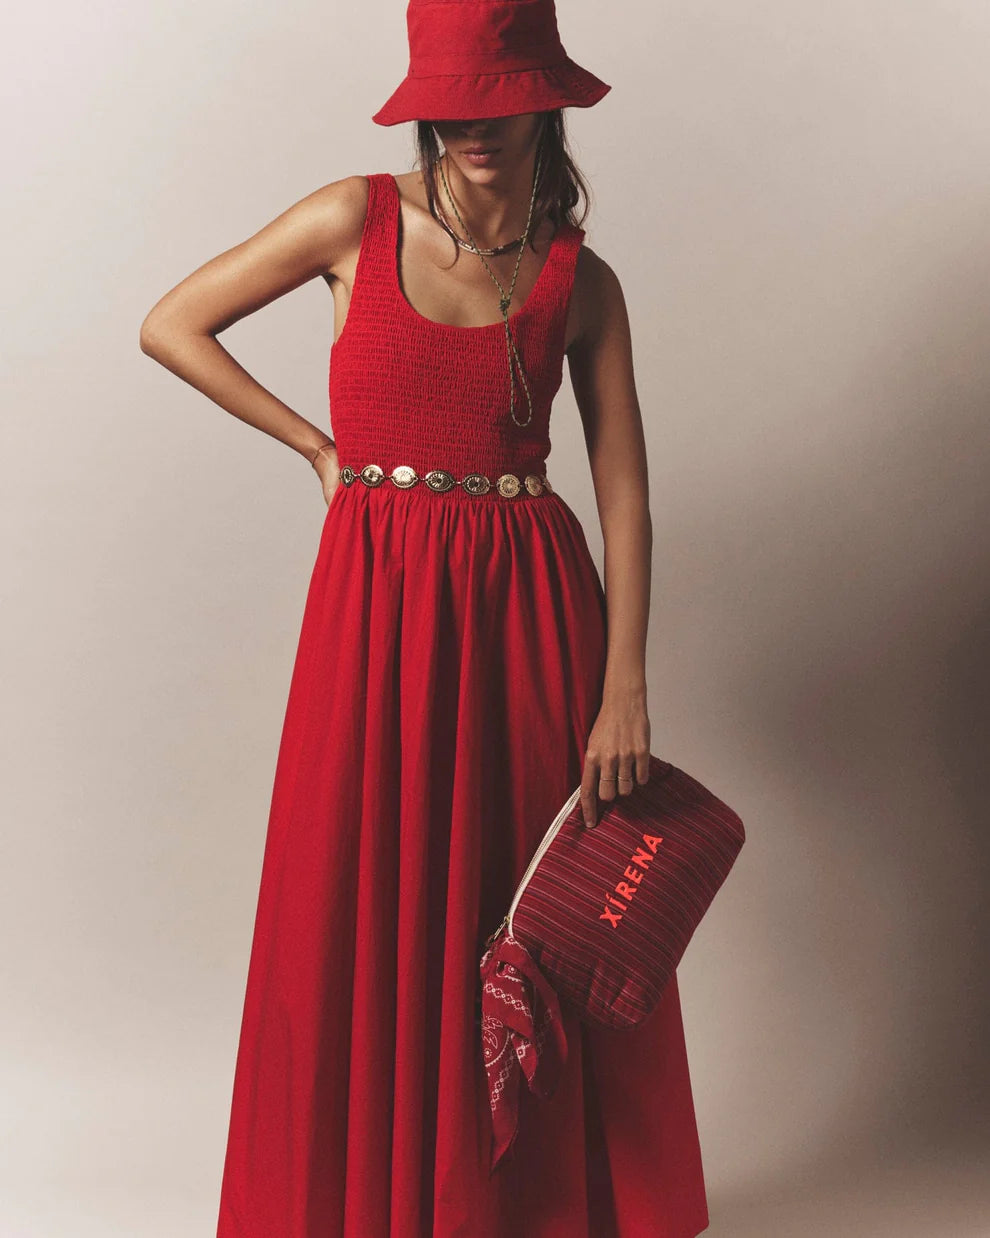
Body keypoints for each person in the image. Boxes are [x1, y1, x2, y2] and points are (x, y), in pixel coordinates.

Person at [139, 1, 710, 1234]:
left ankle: (515, 1200)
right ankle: (370, 1193)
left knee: (522, 901)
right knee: (365, 881)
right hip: (377, 599)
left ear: (543, 98)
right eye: (447, 99)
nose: (470, 124)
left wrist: (626, 688)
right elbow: (169, 322)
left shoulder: (583, 280)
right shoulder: (353, 215)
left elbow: (628, 499)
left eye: (495, 97)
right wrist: (313, 446)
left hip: (529, 608)